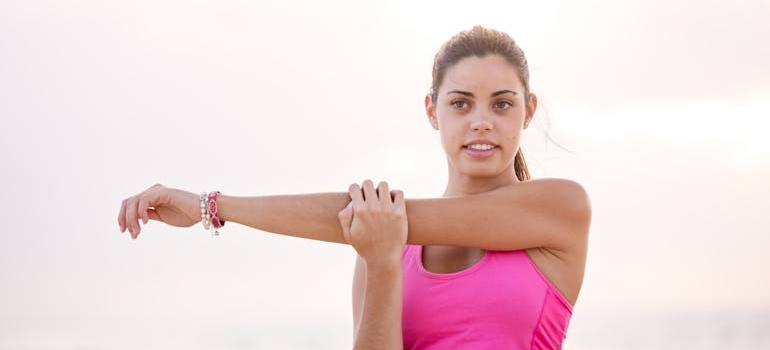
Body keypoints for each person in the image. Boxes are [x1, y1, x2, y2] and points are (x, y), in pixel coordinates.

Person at [117, 26, 591, 350]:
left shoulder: (560, 208)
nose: (481, 122)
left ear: (528, 110)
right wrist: (382, 263)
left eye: (502, 104)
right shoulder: (380, 238)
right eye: (461, 103)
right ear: (432, 111)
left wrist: (208, 206)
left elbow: (374, 217)